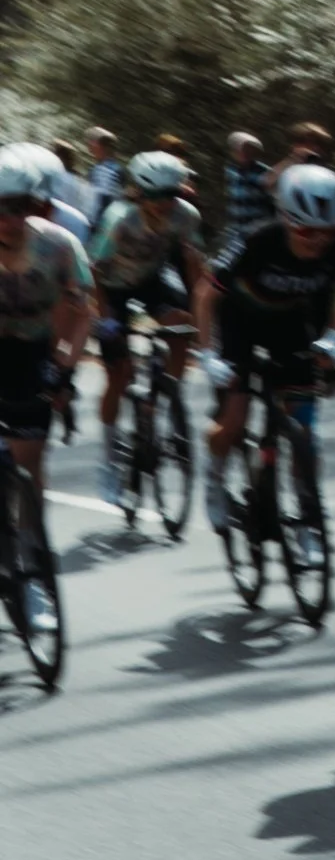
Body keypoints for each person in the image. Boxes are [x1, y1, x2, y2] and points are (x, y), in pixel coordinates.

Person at [203, 166, 335, 529]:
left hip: (289, 323)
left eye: (326, 232)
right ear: (286, 220)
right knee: (234, 422)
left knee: (304, 431)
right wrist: (207, 352)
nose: (317, 241)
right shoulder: (258, 239)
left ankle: (307, 517)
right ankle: (214, 479)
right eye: (305, 231)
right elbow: (205, 294)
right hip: (238, 322)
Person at [89, 149, 211, 505]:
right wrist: (106, 317)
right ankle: (109, 458)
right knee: (119, 373)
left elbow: (194, 267)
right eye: (156, 196)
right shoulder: (119, 219)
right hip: (111, 287)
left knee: (181, 326)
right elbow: (93, 271)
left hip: (152, 279)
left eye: (172, 194)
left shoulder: (186, 216)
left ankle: (166, 393)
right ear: (139, 193)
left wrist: (200, 317)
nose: (165, 203)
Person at [0, 147, 94, 571]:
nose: (9, 219)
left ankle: (31, 553)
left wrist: (64, 370)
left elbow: (81, 313)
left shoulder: (59, 244)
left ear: (38, 205)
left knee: (30, 459)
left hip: (32, 351)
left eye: (20, 207)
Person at [223, 131, 274, 242]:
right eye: (240, 148)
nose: (243, 152)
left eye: (248, 149)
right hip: (236, 230)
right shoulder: (231, 171)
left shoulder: (264, 172)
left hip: (259, 231)